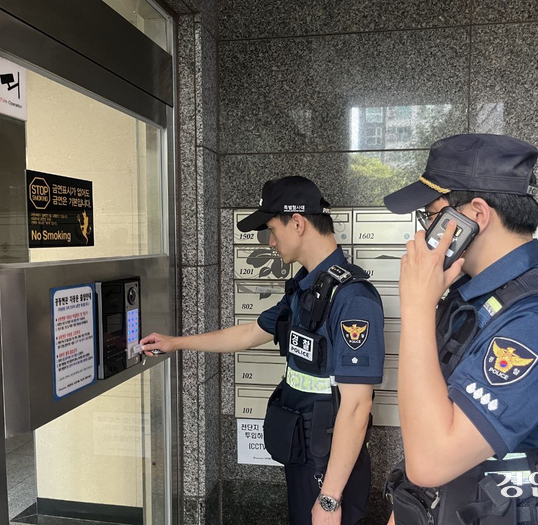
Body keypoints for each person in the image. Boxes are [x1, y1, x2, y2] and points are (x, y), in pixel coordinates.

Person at [382, 134, 538, 525]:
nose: (425, 230)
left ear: (476, 216)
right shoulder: (469, 297)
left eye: (432, 214)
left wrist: (415, 305)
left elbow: (431, 462)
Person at [140, 176, 386, 525]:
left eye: (272, 229)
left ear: (297, 223)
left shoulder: (353, 299)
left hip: (331, 469)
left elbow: (358, 405)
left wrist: (330, 499)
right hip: (303, 456)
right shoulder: (306, 289)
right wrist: (175, 343)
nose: (270, 242)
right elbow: (247, 334)